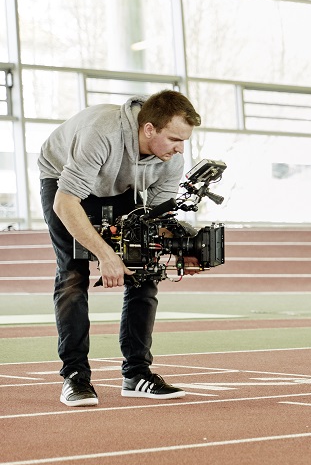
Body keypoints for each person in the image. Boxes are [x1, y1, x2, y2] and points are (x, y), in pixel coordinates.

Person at [38, 89, 202, 407]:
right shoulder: (101, 134)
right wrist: (106, 254)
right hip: (63, 182)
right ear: (149, 128)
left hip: (120, 185)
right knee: (73, 273)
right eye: (174, 139)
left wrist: (183, 246)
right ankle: (75, 377)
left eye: (184, 141)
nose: (181, 149)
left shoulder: (171, 162)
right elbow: (65, 202)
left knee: (144, 269)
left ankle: (137, 374)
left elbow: (157, 218)